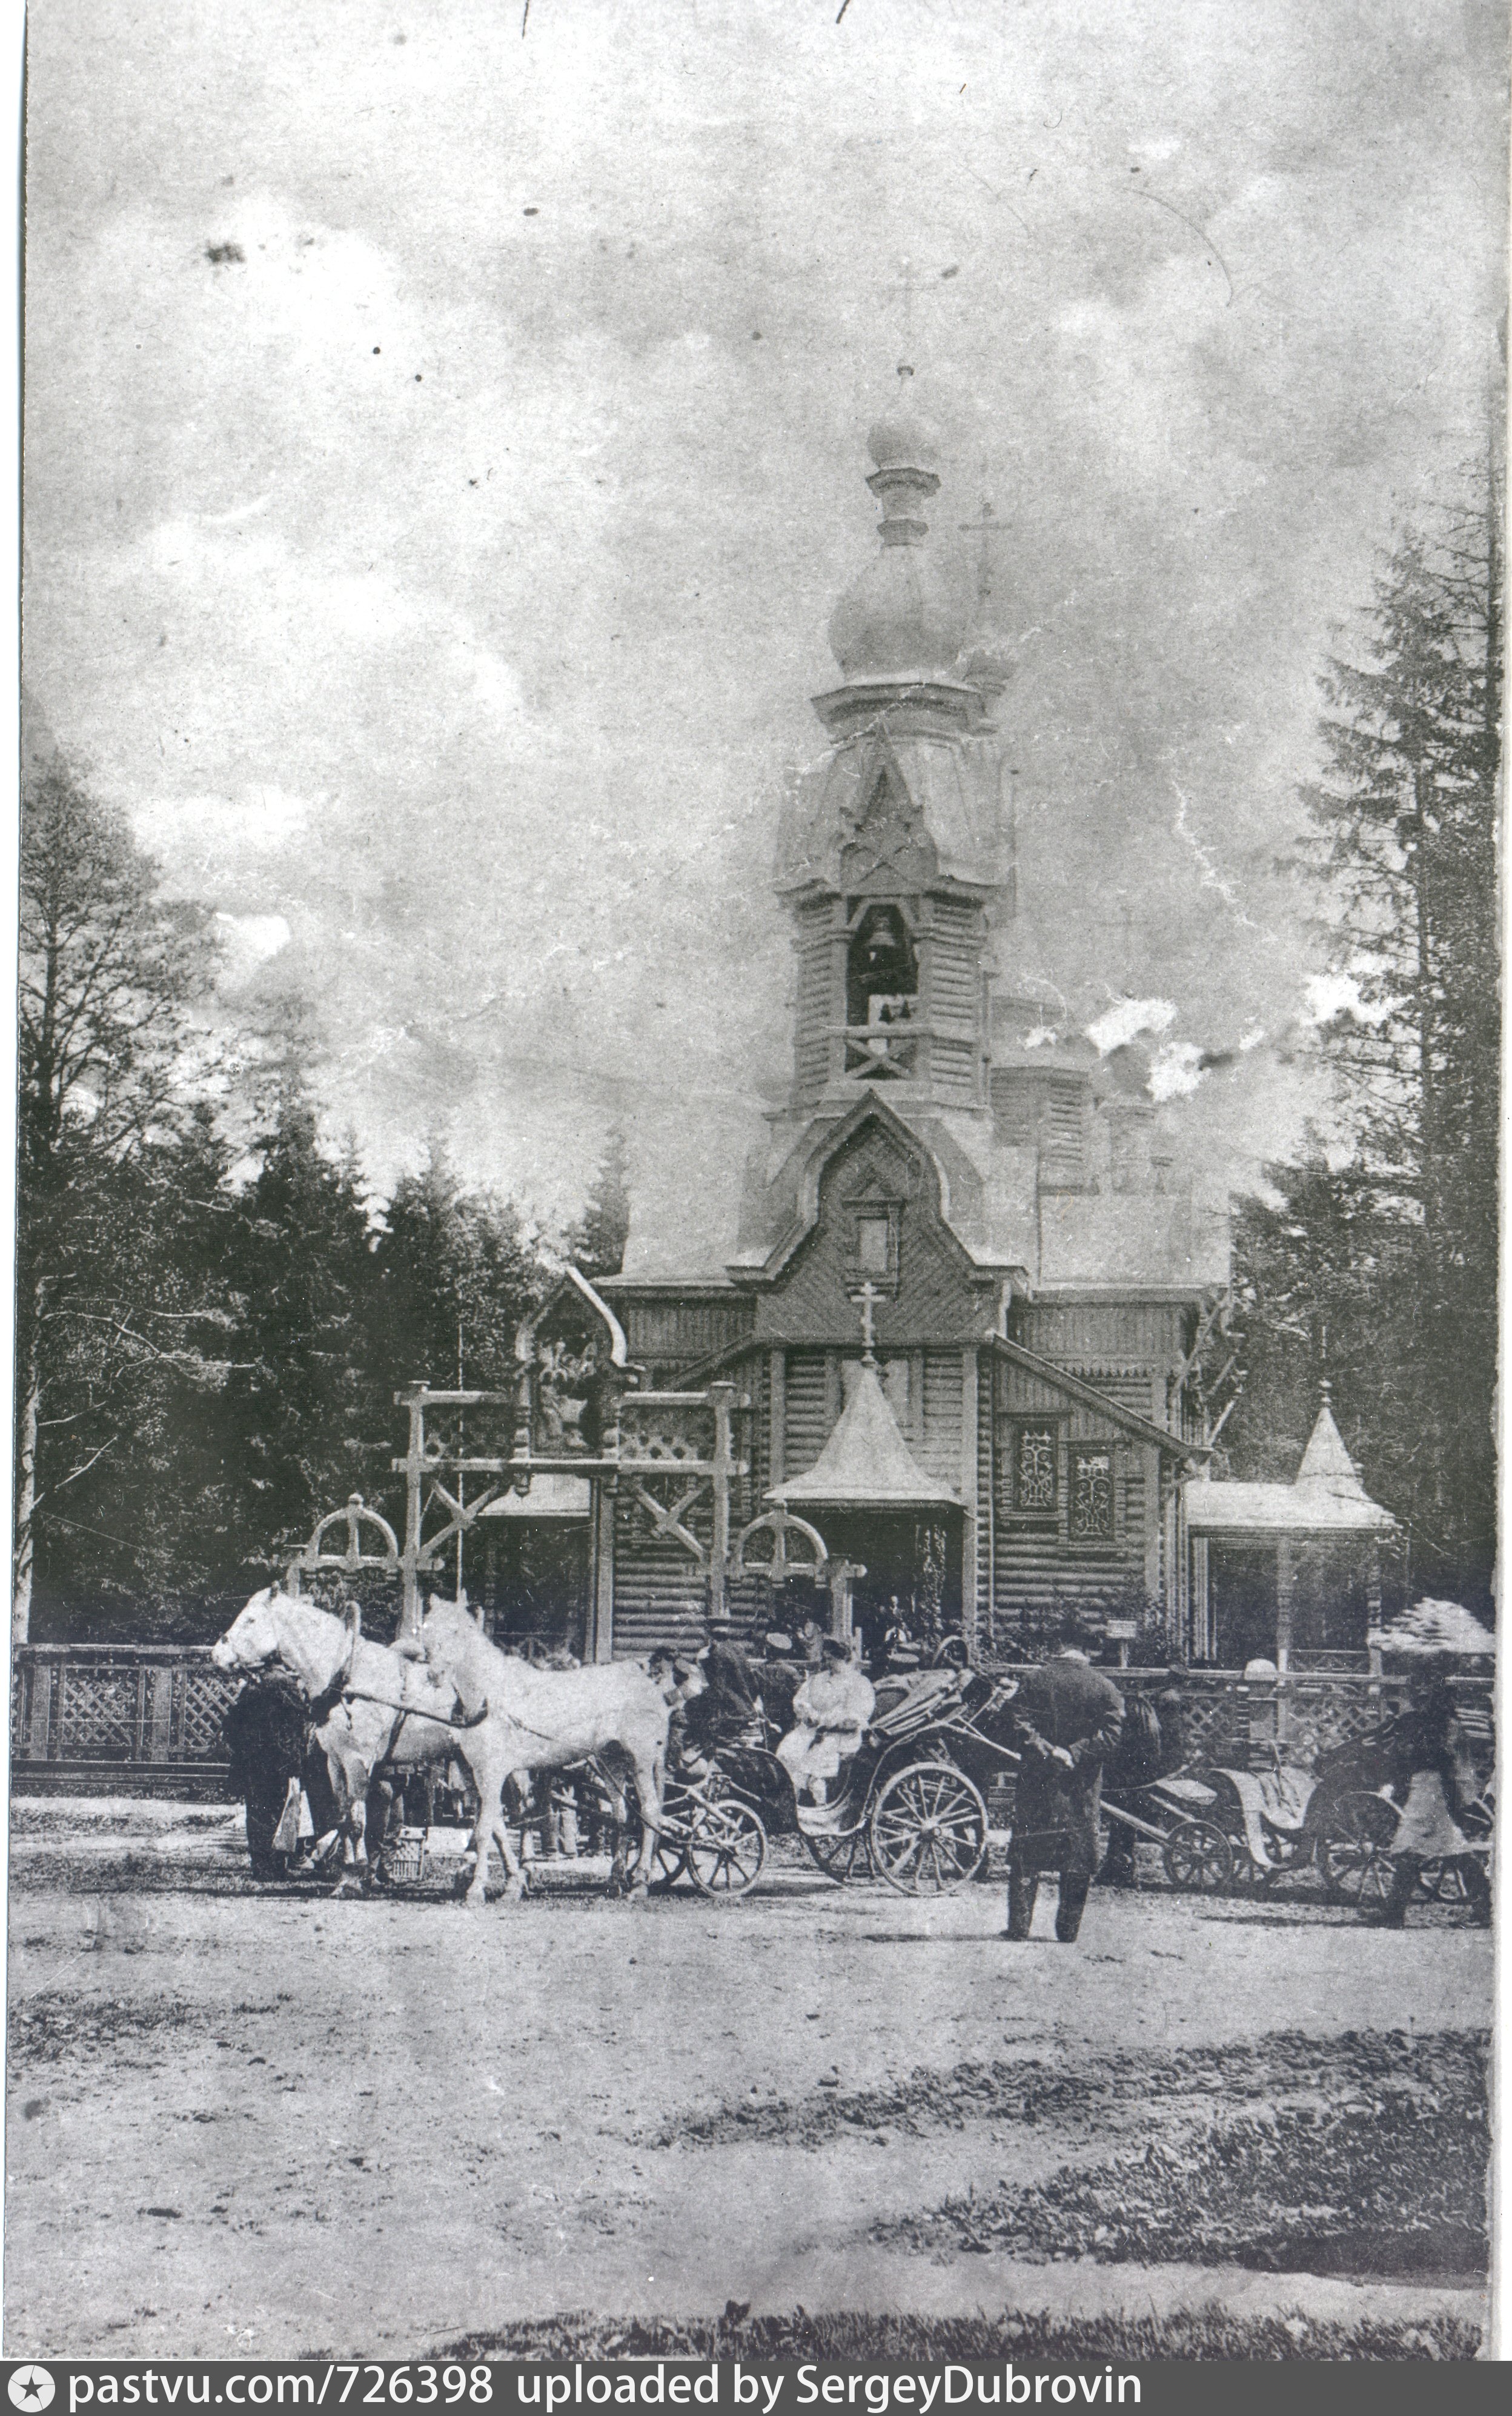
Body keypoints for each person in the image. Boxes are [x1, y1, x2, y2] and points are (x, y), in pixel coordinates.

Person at [1007, 1620, 1124, 1942]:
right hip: (1081, 1785)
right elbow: (1112, 1735)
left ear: (1061, 1646)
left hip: (1037, 1782)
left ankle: (1019, 1928)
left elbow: (1018, 1724)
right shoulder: (1105, 1688)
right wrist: (1075, 1752)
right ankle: (1068, 1930)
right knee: (1078, 1857)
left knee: (1026, 1854)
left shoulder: (1033, 1680)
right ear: (1089, 1649)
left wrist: (1048, 1751)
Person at [1367, 1657, 1490, 1926]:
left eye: (1424, 1691)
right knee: (1451, 1848)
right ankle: (1485, 1911)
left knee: (1412, 1847)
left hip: (1432, 1789)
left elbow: (1442, 1758)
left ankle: (1394, 1915)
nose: (1419, 1695)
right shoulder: (1433, 1722)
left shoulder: (1437, 1724)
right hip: (1431, 1789)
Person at [1098, 1665, 1187, 1889]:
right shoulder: (1166, 1700)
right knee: (1124, 1808)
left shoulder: (1164, 1701)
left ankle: (1119, 1865)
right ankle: (1118, 1864)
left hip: (1148, 1768)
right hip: (1154, 1765)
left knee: (1123, 1807)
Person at [776, 1635, 876, 1811]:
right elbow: (801, 1700)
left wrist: (827, 1721)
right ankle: (792, 1802)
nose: (828, 1663)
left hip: (840, 1736)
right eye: (827, 1659)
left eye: (832, 1659)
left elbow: (856, 1716)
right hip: (810, 1730)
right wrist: (807, 1712)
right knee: (787, 1751)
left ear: (845, 1658)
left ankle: (819, 1807)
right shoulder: (818, 1679)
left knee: (815, 1763)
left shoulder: (858, 1683)